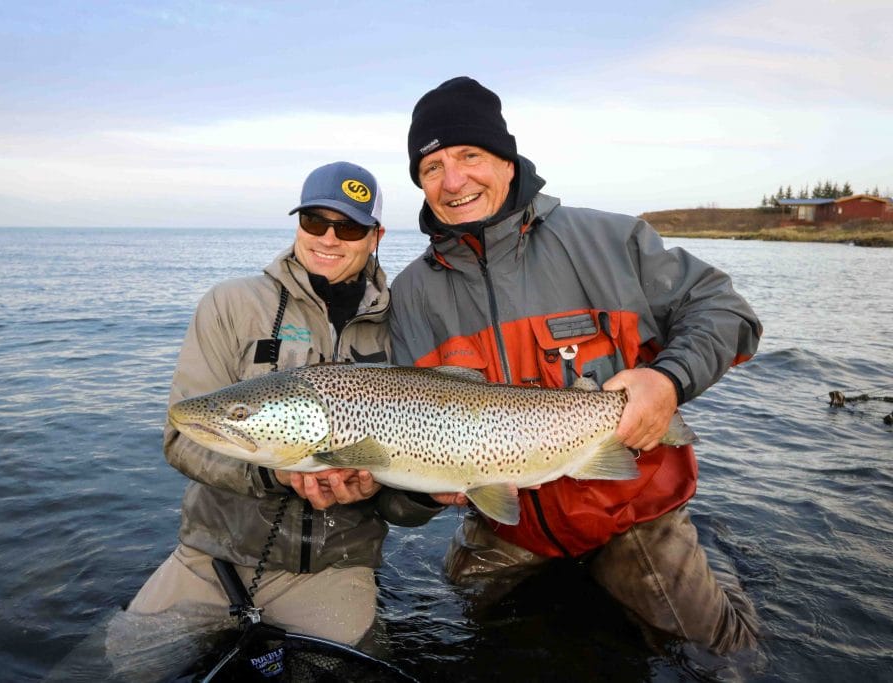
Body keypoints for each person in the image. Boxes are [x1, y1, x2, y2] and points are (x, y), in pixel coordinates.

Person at [390, 77, 763, 655]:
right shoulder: (411, 294)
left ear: (508, 163)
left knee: (722, 658)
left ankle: (716, 569)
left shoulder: (611, 240)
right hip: (506, 526)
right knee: (469, 642)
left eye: (469, 155)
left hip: (631, 511)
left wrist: (667, 381)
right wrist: (420, 494)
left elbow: (725, 311)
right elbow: (393, 451)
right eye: (432, 166)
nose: (453, 180)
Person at [128, 161, 445, 649]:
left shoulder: (403, 325)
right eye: (315, 221)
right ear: (298, 224)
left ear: (375, 234)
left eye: (350, 226)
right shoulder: (230, 304)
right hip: (211, 557)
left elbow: (403, 502)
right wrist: (273, 474)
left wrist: (426, 496)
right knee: (114, 667)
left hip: (336, 568)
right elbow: (181, 437)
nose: (329, 238)